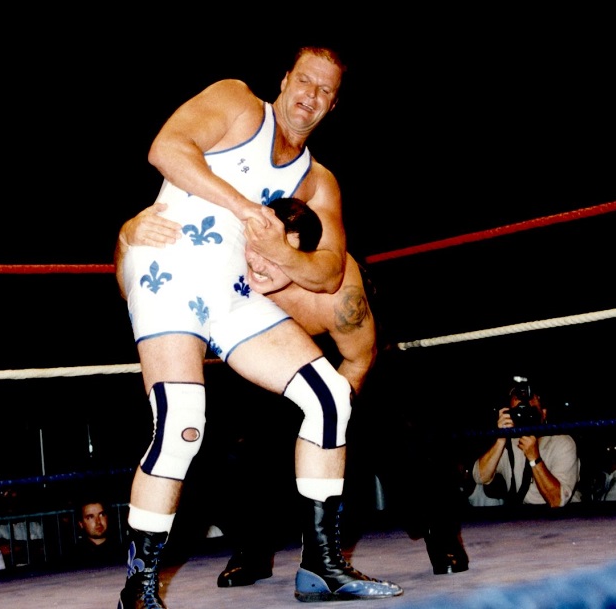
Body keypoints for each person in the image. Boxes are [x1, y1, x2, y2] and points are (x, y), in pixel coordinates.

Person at [115, 45, 401, 607]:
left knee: (329, 397)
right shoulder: (236, 102)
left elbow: (327, 271)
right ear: (285, 79)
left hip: (232, 292)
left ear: (333, 105)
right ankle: (139, 590)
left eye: (324, 91)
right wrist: (247, 210)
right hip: (168, 271)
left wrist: (282, 258)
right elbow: (165, 149)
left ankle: (320, 566)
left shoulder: (317, 181)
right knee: (181, 424)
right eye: (305, 81)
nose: (309, 97)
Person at [120, 197, 470, 584]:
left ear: (302, 254)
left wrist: (329, 416)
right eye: (255, 250)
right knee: (235, 447)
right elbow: (138, 288)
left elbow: (359, 359)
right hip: (274, 364)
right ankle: (251, 549)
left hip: (347, 366)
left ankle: (440, 533)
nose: (257, 264)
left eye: (274, 256)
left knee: (396, 435)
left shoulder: (337, 294)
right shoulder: (229, 269)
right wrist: (127, 238)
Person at [473, 376, 581, 508]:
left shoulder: (562, 442)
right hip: (524, 519)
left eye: (530, 403)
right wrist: (500, 438)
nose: (525, 413)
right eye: (519, 408)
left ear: (544, 413)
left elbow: (557, 501)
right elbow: (480, 477)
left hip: (564, 518)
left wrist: (534, 458)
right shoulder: (509, 443)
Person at [72, 499, 120, 568]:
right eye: (90, 517)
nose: (98, 522)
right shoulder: (74, 557)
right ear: (81, 524)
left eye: (101, 515)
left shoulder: (122, 552)